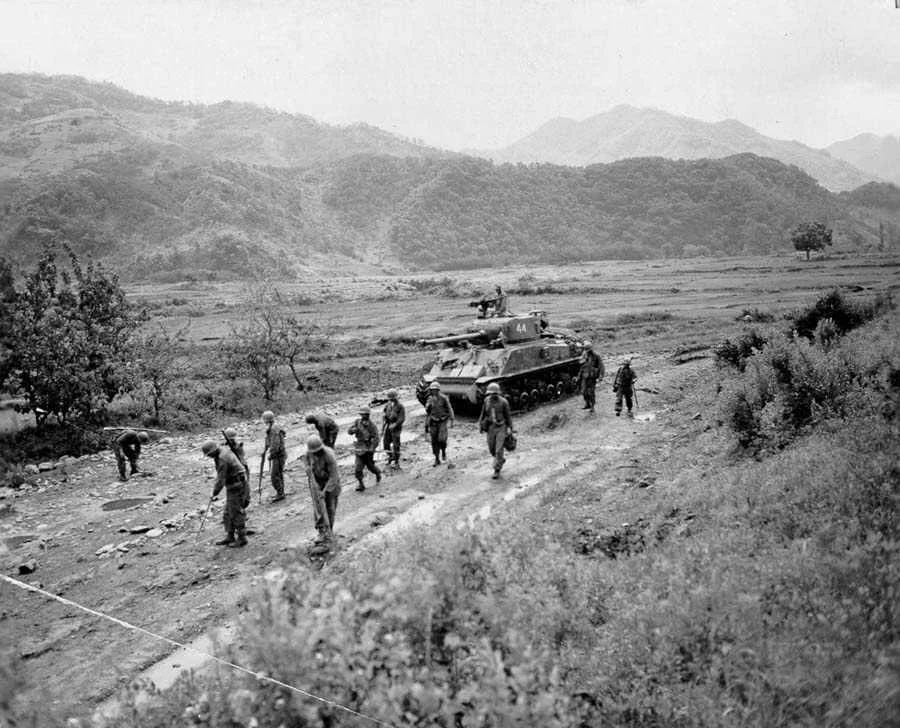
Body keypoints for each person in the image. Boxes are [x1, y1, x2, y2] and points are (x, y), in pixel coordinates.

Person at [201, 440, 249, 547]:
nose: (209, 457)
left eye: (209, 455)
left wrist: (214, 493)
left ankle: (242, 538)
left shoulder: (222, 458)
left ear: (213, 451)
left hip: (237, 485)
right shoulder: (221, 452)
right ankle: (230, 536)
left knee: (236, 512)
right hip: (232, 485)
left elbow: (221, 479)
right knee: (227, 512)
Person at [305, 434, 341, 545]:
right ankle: (321, 531)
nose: (316, 454)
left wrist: (325, 491)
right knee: (318, 508)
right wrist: (308, 469)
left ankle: (329, 531)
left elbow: (334, 476)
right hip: (317, 483)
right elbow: (307, 464)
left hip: (331, 484)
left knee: (330, 508)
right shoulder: (309, 453)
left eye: (318, 451)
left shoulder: (329, 455)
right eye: (314, 452)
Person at [479, 382, 513, 479]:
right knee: (492, 449)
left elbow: (508, 416)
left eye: (495, 393)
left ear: (498, 393)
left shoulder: (504, 402)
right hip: (490, 427)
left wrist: (510, 428)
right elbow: (483, 414)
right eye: (491, 393)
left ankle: (497, 470)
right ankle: (500, 459)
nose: (493, 395)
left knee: (499, 449)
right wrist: (481, 425)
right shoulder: (486, 401)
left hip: (501, 427)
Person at [348, 406, 381, 492]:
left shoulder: (372, 426)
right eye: (362, 414)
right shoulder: (357, 422)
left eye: (365, 415)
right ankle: (361, 484)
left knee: (370, 466)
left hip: (368, 448)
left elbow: (376, 438)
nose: (363, 416)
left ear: (368, 415)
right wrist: (353, 430)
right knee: (358, 468)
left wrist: (372, 447)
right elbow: (349, 431)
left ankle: (377, 473)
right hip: (359, 447)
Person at [424, 381, 454, 466]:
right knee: (434, 441)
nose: (434, 391)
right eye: (432, 390)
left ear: (438, 390)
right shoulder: (429, 399)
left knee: (442, 439)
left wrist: (452, 419)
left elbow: (449, 408)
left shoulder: (444, 398)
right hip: (433, 422)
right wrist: (429, 405)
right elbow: (427, 411)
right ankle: (437, 458)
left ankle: (443, 451)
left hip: (442, 421)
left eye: (435, 390)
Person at [261, 410, 287, 502]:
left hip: (278, 455)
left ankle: (280, 494)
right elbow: (270, 441)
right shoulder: (272, 427)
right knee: (278, 474)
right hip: (279, 454)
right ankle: (281, 492)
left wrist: (271, 455)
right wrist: (265, 449)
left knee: (274, 476)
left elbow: (275, 444)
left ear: (267, 420)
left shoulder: (274, 429)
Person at [223, 426, 251, 507]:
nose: (231, 441)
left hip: (242, 468)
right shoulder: (225, 446)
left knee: (245, 488)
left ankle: (244, 505)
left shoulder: (238, 446)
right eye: (230, 439)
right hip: (233, 471)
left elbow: (240, 456)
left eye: (232, 439)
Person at [578, 341, 605, 413]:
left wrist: (601, 376)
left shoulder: (596, 356)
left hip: (592, 377)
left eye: (588, 350)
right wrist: (579, 375)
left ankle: (592, 406)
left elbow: (601, 366)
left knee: (591, 392)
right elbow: (581, 365)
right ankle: (587, 403)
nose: (587, 351)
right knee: (583, 391)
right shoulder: (584, 354)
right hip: (584, 375)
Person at [382, 389, 406, 468]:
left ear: (396, 398)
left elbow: (402, 418)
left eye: (393, 398)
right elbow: (384, 412)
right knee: (386, 443)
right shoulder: (388, 404)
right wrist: (384, 418)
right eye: (390, 398)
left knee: (396, 444)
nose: (392, 400)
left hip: (396, 428)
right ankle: (390, 456)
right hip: (388, 426)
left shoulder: (400, 406)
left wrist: (395, 424)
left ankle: (396, 461)